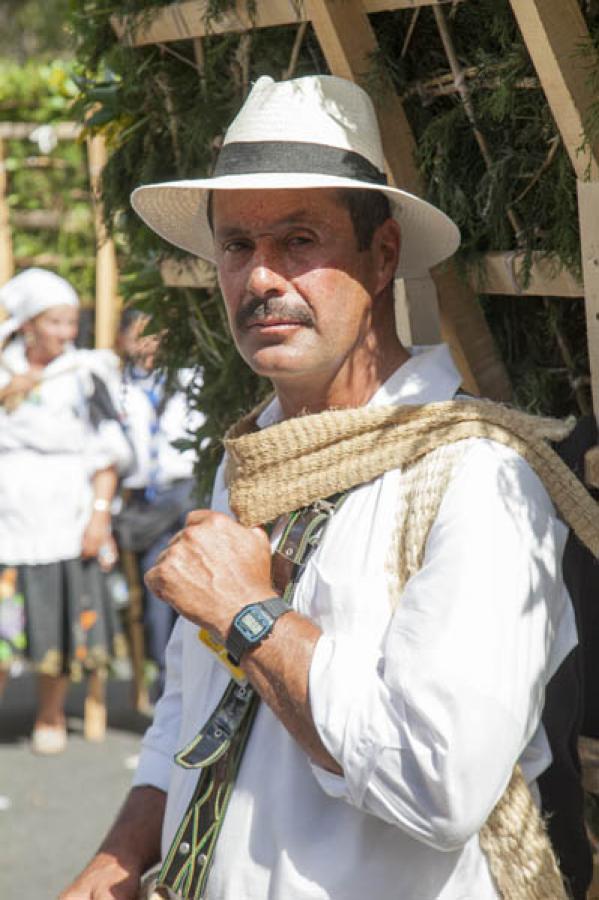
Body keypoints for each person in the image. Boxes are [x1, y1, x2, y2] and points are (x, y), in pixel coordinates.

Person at [61, 75, 596, 899]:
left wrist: (249, 616)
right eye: (237, 247)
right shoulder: (254, 457)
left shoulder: (473, 474)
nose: (262, 278)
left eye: (298, 240)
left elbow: (439, 783)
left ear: (381, 257)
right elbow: (189, 708)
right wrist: (124, 852)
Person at [0, 267, 132, 754]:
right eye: (55, 322)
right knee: (1, 624)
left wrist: (100, 514)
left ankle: (51, 713)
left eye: (71, 322)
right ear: (29, 323)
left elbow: (108, 452)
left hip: (63, 515)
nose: (66, 333)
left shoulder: (85, 375)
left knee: (56, 617)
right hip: (6, 517)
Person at [114, 308, 204, 699]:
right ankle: (165, 676)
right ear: (122, 340)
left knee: (192, 583)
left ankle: (189, 678)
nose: (148, 345)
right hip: (146, 502)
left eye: (155, 336)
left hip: (185, 490)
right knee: (159, 587)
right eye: (139, 336)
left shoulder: (191, 378)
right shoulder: (117, 386)